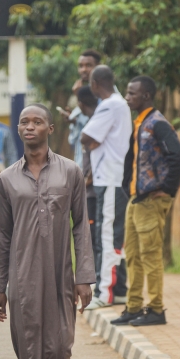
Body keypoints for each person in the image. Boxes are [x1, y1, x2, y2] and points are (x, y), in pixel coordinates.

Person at [0, 104, 95, 359]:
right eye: (24, 122)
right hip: (22, 278)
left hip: (61, 274)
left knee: (60, 348)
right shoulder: (7, 179)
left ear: (51, 128)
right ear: (17, 129)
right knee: (32, 350)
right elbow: (1, 236)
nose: (29, 127)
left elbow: (81, 225)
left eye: (37, 121)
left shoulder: (70, 172)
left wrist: (84, 277)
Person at [112, 76, 180, 327]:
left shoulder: (157, 123)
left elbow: (178, 156)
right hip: (137, 200)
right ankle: (133, 307)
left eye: (131, 93)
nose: (127, 97)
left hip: (151, 201)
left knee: (150, 255)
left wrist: (167, 189)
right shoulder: (140, 122)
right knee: (132, 255)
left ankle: (156, 309)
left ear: (145, 96)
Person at [81, 65, 132, 309]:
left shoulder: (111, 104)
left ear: (94, 84)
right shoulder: (119, 103)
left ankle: (106, 293)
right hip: (109, 178)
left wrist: (91, 143)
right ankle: (118, 288)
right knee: (111, 234)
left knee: (107, 235)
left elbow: (85, 136)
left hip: (109, 179)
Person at [65, 50, 102, 169]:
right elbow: (74, 140)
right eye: (81, 66)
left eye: (88, 65)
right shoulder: (85, 91)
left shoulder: (105, 94)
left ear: (98, 68)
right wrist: (74, 120)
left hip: (97, 169)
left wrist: (80, 97)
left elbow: (97, 127)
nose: (83, 70)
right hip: (82, 165)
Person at [75, 86, 100, 260]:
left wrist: (85, 182)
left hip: (94, 192)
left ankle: (98, 277)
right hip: (91, 191)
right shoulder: (93, 121)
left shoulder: (96, 123)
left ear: (81, 104)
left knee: (95, 237)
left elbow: (97, 158)